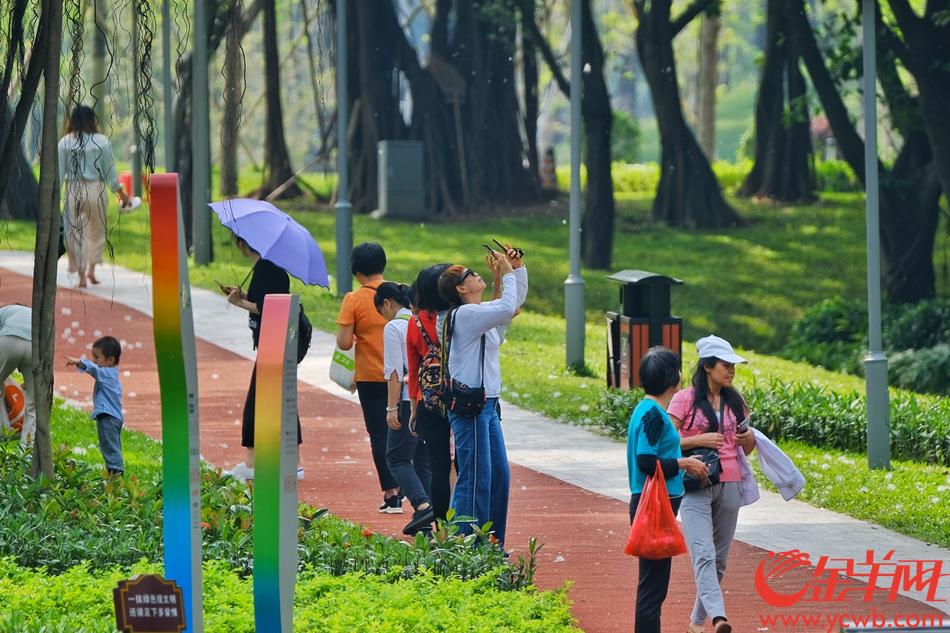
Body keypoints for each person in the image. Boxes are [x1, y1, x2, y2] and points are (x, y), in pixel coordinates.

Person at [436, 245, 527, 546]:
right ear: (461, 288)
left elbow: (509, 307)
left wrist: (512, 272)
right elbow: (503, 308)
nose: (477, 275)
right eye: (470, 275)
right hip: (470, 407)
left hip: (486, 405)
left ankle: (492, 544)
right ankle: (465, 546)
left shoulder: (476, 316)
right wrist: (509, 273)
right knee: (475, 479)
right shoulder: (464, 315)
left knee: (498, 477)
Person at [667, 335, 756, 633]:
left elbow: (747, 448)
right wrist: (698, 440)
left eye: (733, 366)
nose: (730, 371)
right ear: (707, 366)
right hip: (694, 484)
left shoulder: (736, 401)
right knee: (703, 552)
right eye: (725, 365)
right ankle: (719, 618)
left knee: (718, 559)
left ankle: (696, 624)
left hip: (731, 483)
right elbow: (665, 444)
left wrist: (749, 439)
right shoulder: (684, 400)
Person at [626, 347, 709, 633]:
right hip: (654, 506)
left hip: (655, 504)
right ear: (672, 379)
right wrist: (683, 463)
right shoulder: (653, 414)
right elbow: (646, 461)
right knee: (653, 589)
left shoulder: (647, 409)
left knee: (653, 586)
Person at [223, 236, 304, 483]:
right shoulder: (273, 266)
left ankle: (252, 462)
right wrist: (244, 295)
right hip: (277, 339)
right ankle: (294, 461)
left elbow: (267, 306)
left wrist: (239, 303)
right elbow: (267, 299)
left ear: (242, 244)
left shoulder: (266, 267)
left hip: (273, 340)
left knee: (257, 401)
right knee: (282, 400)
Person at [336, 242, 400, 512]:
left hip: (370, 377)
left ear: (356, 271)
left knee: (378, 433)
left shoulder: (353, 299)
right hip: (401, 375)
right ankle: (410, 483)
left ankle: (391, 494)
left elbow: (344, 343)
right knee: (404, 431)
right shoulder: (399, 292)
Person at [375, 282, 434, 535]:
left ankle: (422, 506)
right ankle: (429, 523)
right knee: (422, 458)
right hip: (431, 397)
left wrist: (391, 408)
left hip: (409, 398)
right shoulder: (423, 322)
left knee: (396, 457)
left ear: (387, 303)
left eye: (381, 310)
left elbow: (395, 372)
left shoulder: (394, 327)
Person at [58, 104, 131, 288]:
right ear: (93, 121)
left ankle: (81, 275)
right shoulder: (102, 141)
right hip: (96, 189)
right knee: (97, 231)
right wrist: (122, 195)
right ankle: (91, 269)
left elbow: (58, 174)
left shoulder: (65, 142)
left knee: (74, 233)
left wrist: (54, 197)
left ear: (72, 121)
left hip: (72, 189)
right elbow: (111, 174)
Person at [406, 263, 453, 523]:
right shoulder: (458, 315)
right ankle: (464, 527)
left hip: (429, 400)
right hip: (457, 397)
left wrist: (414, 408)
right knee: (461, 465)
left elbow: (414, 370)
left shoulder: (415, 323)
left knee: (439, 464)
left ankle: (442, 528)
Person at [65, 336, 126, 474]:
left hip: (108, 418)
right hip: (113, 418)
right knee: (111, 447)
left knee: (110, 448)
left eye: (97, 357)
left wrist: (78, 361)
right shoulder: (112, 373)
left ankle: (116, 476)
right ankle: (114, 474)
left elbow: (93, 369)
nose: (94, 361)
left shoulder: (107, 373)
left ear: (110, 360)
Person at [0, 304, 35, 449]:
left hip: (10, 339)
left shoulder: (4, 311)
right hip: (35, 346)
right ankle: (27, 451)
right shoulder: (34, 313)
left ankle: (3, 429)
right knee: (33, 403)